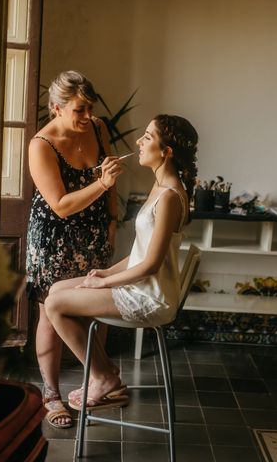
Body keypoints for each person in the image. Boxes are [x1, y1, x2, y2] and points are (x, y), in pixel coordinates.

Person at [44, 114, 198, 410]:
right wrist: (106, 272)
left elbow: (151, 265)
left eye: (148, 137)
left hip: (150, 296)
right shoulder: (159, 187)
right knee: (56, 289)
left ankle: (103, 376)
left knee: (55, 305)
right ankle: (107, 373)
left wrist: (102, 282)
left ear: (166, 152)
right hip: (140, 285)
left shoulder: (168, 197)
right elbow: (142, 252)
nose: (139, 142)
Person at [25, 71, 123, 428]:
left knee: (94, 306)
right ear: (56, 108)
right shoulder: (41, 145)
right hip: (54, 238)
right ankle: (51, 395)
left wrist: (112, 221)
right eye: (79, 110)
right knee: (50, 315)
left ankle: (96, 384)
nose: (86, 117)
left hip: (95, 232)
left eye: (89, 108)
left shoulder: (98, 128)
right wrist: (101, 182)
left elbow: (110, 178)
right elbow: (61, 205)